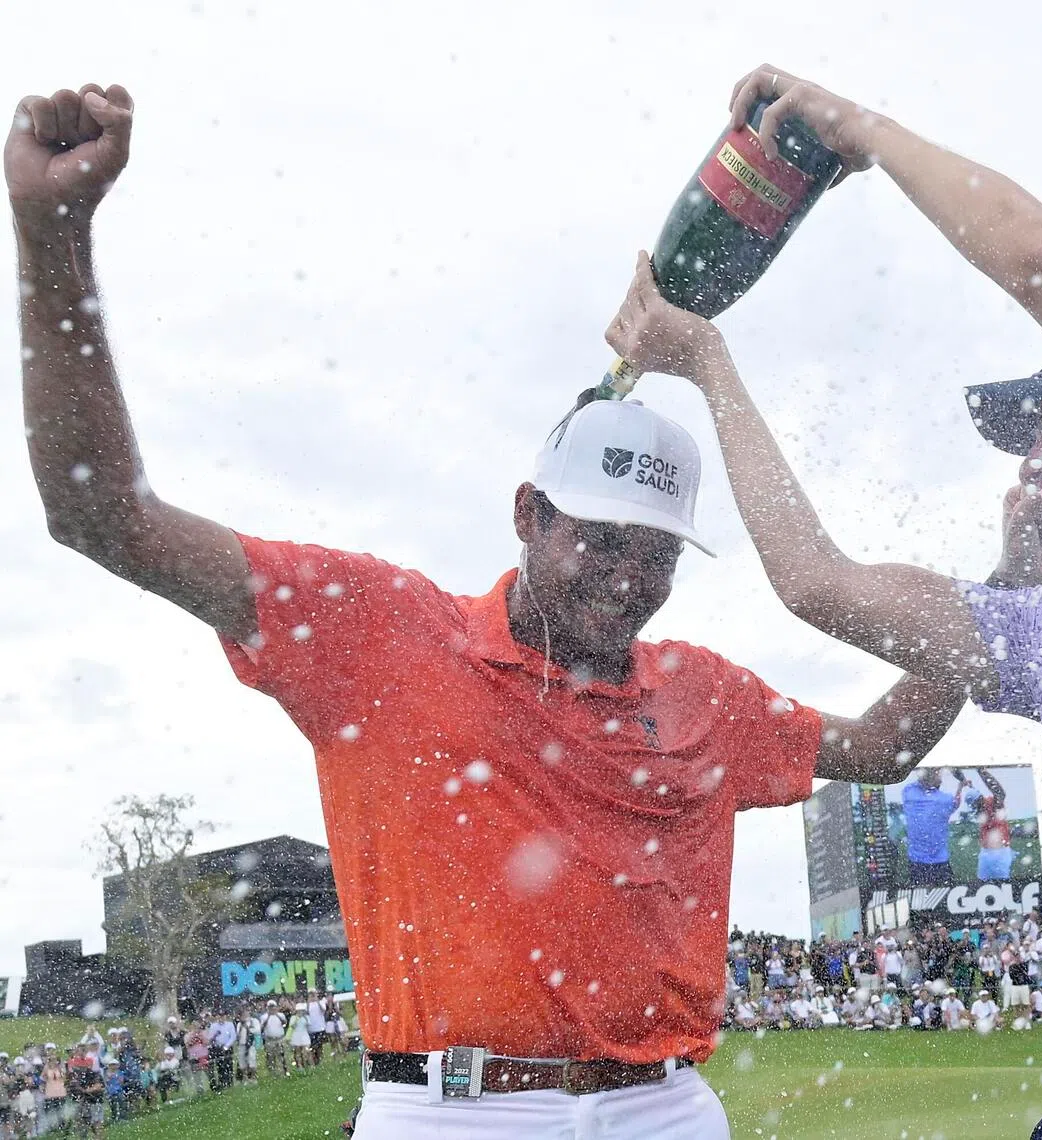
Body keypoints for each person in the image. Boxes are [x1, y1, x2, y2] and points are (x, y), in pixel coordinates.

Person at [5, 83, 971, 1140]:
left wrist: (1001, 611)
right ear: (528, 515)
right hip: (448, 1112)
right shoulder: (374, 631)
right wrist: (54, 235)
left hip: (666, 1111)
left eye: (655, 555)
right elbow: (101, 516)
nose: (625, 579)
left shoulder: (707, 694)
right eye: (598, 538)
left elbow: (882, 747)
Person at [603, 60, 1042, 1139]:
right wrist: (708, 364)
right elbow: (817, 584)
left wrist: (863, 132)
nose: (1024, 464)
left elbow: (1039, 262)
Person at [898, 768, 971, 886]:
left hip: (918, 862)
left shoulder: (908, 792)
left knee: (919, 899)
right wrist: (961, 785)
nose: (940, 777)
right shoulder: (944, 800)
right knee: (945, 898)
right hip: (938, 862)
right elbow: (956, 803)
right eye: (937, 774)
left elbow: (922, 780)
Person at [260, 1001, 288, 1077]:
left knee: (281, 1056)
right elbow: (262, 1027)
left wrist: (277, 1015)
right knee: (270, 1057)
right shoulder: (264, 1016)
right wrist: (269, 1016)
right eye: (270, 1007)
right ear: (267, 1008)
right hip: (269, 1040)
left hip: (280, 1039)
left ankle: (283, 1072)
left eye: (273, 1006)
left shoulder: (281, 1015)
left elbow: (284, 1023)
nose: (272, 1008)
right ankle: (272, 1073)